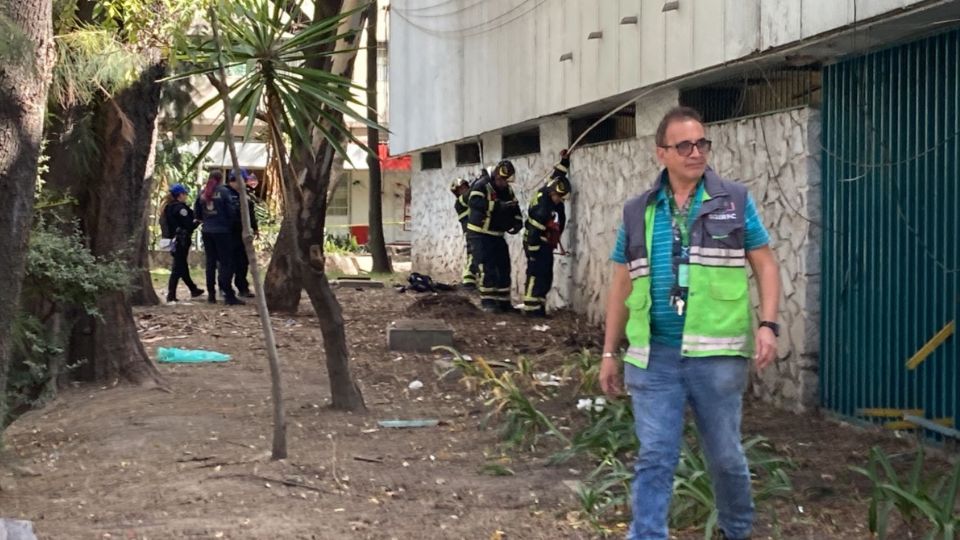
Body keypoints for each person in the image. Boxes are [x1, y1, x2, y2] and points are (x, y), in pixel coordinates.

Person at [599, 107, 781, 540]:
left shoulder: (732, 200)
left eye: (702, 143)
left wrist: (768, 324)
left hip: (716, 357)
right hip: (654, 356)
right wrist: (609, 352)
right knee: (656, 455)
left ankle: (736, 531)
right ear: (661, 153)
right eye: (684, 145)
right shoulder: (637, 212)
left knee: (725, 457)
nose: (696, 152)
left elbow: (765, 264)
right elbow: (621, 284)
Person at [466, 160, 522, 312]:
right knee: (487, 267)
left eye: (506, 180)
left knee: (504, 267)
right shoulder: (482, 184)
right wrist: (497, 206)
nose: (504, 183)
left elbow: (515, 207)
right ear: (496, 174)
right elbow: (473, 202)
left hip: (497, 234)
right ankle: (488, 302)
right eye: (502, 179)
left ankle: (504, 303)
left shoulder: (507, 190)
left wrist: (517, 222)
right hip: (480, 234)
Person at [522, 151, 572, 317]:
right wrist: (534, 251)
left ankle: (539, 307)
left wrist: (564, 161)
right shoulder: (544, 208)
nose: (560, 201)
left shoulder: (550, 189)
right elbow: (535, 230)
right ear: (553, 193)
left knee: (546, 275)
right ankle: (530, 308)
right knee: (536, 274)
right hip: (536, 243)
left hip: (545, 244)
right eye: (560, 198)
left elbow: (557, 176)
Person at [194, 170, 244, 305]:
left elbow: (197, 214)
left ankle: (211, 295)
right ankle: (228, 295)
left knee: (210, 263)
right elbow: (231, 212)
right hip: (222, 232)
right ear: (221, 179)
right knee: (226, 263)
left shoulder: (202, 193)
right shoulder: (224, 192)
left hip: (207, 231)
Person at [160, 184, 204, 302]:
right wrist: (197, 222)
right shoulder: (180, 208)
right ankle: (171, 295)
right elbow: (188, 225)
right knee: (177, 268)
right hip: (181, 241)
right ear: (180, 195)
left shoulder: (169, 207)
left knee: (182, 266)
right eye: (185, 194)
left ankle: (193, 289)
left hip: (173, 240)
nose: (186, 196)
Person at [226, 169, 258, 298]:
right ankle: (226, 289)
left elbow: (251, 215)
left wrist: (255, 229)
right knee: (229, 263)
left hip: (243, 235)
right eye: (243, 181)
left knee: (243, 262)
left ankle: (242, 287)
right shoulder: (226, 195)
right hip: (229, 234)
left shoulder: (245, 196)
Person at [451, 177, 479, 289]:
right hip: (470, 232)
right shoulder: (460, 202)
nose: (464, 190)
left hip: (477, 232)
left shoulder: (470, 199)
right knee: (473, 255)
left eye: (465, 187)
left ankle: (472, 281)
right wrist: (479, 182)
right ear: (457, 192)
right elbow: (470, 197)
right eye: (461, 189)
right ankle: (468, 281)